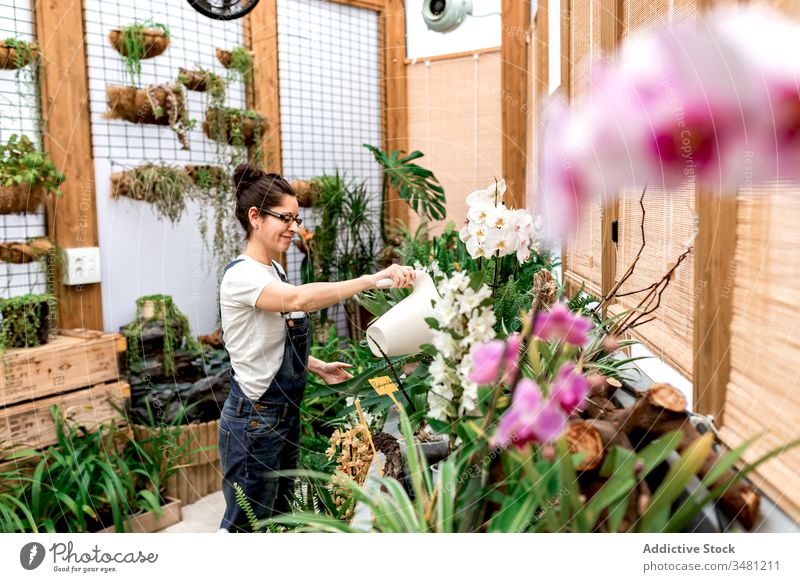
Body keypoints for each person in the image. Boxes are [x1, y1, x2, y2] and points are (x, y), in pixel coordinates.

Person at [218, 163, 415, 532]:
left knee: (278, 519)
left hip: (280, 415)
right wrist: (369, 279)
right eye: (286, 218)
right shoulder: (241, 276)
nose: (295, 227)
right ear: (255, 217)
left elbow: (261, 341)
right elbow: (297, 300)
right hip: (253, 419)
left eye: (297, 217)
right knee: (244, 525)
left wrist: (316, 364)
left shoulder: (272, 271)